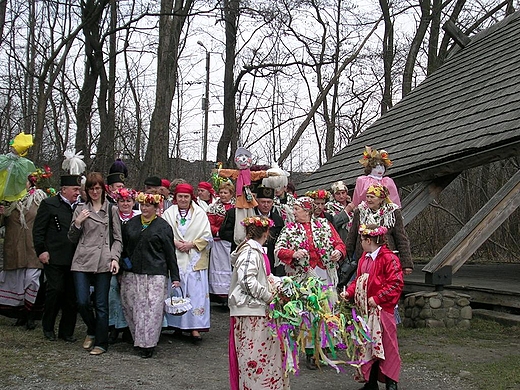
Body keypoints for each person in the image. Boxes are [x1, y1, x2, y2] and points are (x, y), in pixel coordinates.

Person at [274, 196, 345, 369]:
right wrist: (293, 254)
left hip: (324, 272)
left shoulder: (324, 225)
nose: (294, 211)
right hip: (303, 276)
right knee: (308, 311)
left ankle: (326, 346)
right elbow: (278, 250)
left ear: (307, 211)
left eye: (297, 209)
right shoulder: (290, 229)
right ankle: (311, 351)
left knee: (327, 308)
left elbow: (340, 244)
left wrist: (337, 252)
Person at [228, 215, 290, 390]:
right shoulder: (250, 252)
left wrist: (283, 284)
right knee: (254, 359)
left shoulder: (253, 251)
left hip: (256, 310)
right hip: (250, 312)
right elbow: (247, 281)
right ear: (266, 232)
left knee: (262, 358)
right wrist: (269, 296)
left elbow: (263, 277)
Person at [340, 224, 404, 390]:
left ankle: (391, 383)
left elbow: (395, 283)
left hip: (383, 311)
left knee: (387, 346)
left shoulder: (389, 258)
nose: (360, 243)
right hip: (366, 311)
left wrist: (378, 298)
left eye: (362, 240)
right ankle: (371, 382)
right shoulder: (364, 258)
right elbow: (359, 280)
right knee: (369, 346)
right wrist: (349, 293)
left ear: (369, 240)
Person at [120, 192, 180, 358]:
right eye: (142, 205)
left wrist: (175, 276)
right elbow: (124, 248)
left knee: (151, 309)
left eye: (148, 205)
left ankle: (148, 344)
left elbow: (170, 253)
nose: (144, 208)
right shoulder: (131, 224)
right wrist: (123, 265)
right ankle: (138, 338)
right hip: (132, 272)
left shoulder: (163, 227)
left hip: (155, 273)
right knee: (132, 306)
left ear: (156, 207)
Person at [68, 172, 122, 355]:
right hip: (82, 259)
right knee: (82, 301)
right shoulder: (80, 209)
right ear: (87, 190)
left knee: (101, 303)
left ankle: (101, 342)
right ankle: (92, 329)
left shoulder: (111, 210)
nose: (94, 191)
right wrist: (77, 223)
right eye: (91, 188)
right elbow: (72, 238)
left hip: (103, 259)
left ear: (103, 189)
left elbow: (118, 239)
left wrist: (114, 258)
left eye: (97, 188)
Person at [33, 168, 82, 342]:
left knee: (71, 296)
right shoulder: (49, 204)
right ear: (64, 190)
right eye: (75, 189)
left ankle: (66, 331)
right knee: (54, 291)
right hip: (53, 256)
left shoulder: (81, 207)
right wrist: (41, 250)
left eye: (79, 189)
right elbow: (38, 230)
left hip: (75, 258)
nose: (78, 192)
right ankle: (48, 327)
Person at [162, 183, 212, 341]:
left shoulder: (200, 213)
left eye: (186, 197)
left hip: (194, 257)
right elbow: (163, 232)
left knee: (195, 293)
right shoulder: (168, 213)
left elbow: (207, 236)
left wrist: (191, 244)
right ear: (175, 197)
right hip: (175, 255)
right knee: (176, 291)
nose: (183, 199)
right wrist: (175, 242)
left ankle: (195, 327)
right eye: (180, 196)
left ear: (191, 198)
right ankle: (176, 324)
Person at [0, 174, 48, 329]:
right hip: (14, 249)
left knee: (31, 281)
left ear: (30, 182)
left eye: (24, 181)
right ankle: (21, 315)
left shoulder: (39, 199)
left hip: (33, 249)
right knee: (17, 284)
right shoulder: (7, 201)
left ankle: (31, 315)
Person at [346, 183, 413, 275]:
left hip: (386, 257)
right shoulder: (360, 211)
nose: (368, 200)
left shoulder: (392, 212)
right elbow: (352, 236)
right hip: (364, 256)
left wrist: (406, 264)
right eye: (367, 196)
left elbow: (401, 238)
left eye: (372, 197)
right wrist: (346, 258)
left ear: (381, 199)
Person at [108, 187, 140, 344]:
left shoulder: (139, 217)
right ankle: (115, 326)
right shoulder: (112, 216)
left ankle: (130, 328)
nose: (125, 204)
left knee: (131, 297)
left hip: (134, 263)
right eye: (122, 200)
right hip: (114, 260)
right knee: (113, 294)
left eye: (128, 200)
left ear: (133, 202)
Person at [207, 181, 236, 302]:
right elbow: (209, 223)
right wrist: (218, 232)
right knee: (220, 266)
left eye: (226, 192)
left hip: (233, 241)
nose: (223, 195)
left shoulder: (237, 206)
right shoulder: (213, 207)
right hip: (218, 242)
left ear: (231, 194)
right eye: (221, 192)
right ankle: (220, 295)